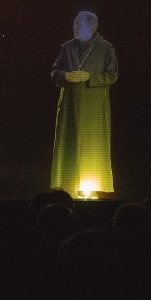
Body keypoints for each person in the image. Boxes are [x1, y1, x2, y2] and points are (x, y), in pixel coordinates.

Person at [50, 11, 118, 197]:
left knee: (92, 146)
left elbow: (112, 75)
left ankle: (90, 188)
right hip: (70, 106)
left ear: (91, 28)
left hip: (93, 108)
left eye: (77, 26)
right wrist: (65, 75)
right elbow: (54, 71)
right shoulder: (67, 47)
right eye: (74, 25)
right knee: (69, 144)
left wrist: (89, 77)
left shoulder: (105, 48)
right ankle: (69, 187)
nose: (73, 28)